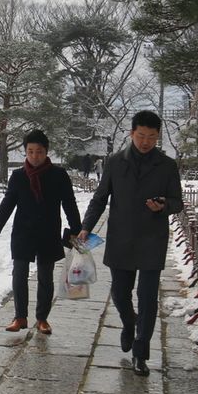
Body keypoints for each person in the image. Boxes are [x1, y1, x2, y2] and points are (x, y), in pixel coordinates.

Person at [76, 110, 183, 377]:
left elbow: (177, 202)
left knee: (147, 298)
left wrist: (163, 205)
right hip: (121, 237)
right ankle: (128, 322)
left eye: (152, 137)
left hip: (152, 239)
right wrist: (86, 227)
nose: (146, 141)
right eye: (141, 136)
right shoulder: (115, 162)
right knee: (120, 294)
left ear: (158, 137)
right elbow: (100, 198)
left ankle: (140, 352)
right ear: (131, 133)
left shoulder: (167, 166)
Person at [0, 129, 82, 335]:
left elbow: (69, 204)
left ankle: (42, 318)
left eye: (39, 152)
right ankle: (20, 316)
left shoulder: (59, 175)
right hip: (23, 232)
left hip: (48, 233)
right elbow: (8, 204)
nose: (34, 156)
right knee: (19, 274)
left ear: (46, 152)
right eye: (30, 151)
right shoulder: (19, 176)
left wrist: (77, 229)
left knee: (45, 277)